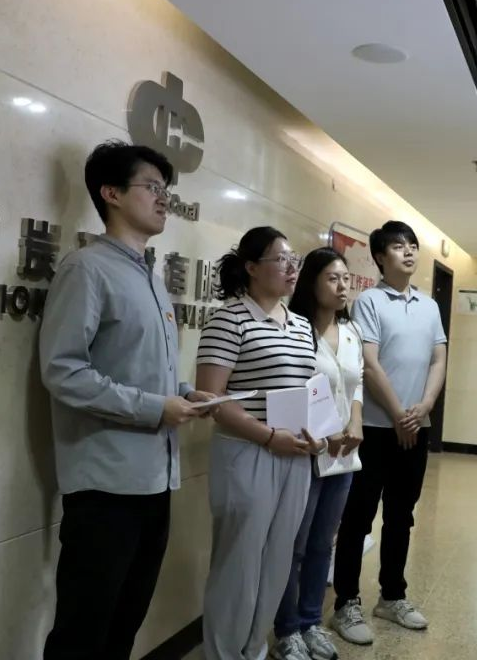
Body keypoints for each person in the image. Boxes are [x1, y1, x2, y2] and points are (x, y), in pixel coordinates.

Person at [40, 140, 216, 659]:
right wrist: (156, 408)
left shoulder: (152, 279)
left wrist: (184, 394)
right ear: (111, 193)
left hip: (156, 480)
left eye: (166, 191)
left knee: (124, 625)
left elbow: (141, 370)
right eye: (152, 187)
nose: (164, 200)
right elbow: (63, 370)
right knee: (82, 633)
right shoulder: (87, 269)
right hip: (105, 486)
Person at [196, 226, 323, 660]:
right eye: (281, 260)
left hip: (295, 455)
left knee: (276, 564)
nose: (291, 268)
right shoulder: (229, 319)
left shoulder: (301, 324)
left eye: (294, 260)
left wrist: (317, 433)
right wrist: (269, 436)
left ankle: (252, 650)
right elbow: (211, 399)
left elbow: (306, 390)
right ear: (251, 268)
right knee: (239, 564)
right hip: (247, 452)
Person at [331, 221, 448, 645]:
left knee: (401, 516)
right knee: (358, 517)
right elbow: (369, 363)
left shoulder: (429, 306)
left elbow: (438, 359)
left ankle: (392, 596)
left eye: (412, 245)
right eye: (399, 246)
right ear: (380, 257)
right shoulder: (369, 301)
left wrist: (425, 406)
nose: (409, 252)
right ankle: (346, 602)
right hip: (375, 429)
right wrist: (399, 414)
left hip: (416, 426)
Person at [271, 247, 366, 660]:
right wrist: (324, 434)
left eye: (346, 278)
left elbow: (357, 384)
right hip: (304, 451)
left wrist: (356, 423)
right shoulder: (296, 330)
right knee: (293, 545)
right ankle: (287, 629)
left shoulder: (351, 332)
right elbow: (289, 389)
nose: (343, 286)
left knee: (322, 544)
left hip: (343, 454)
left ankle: (311, 622)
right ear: (311, 282)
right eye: (332, 278)